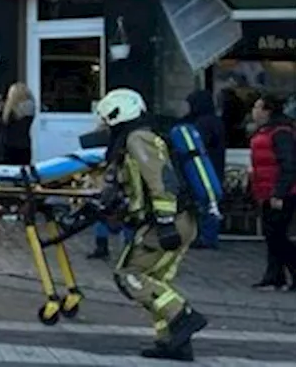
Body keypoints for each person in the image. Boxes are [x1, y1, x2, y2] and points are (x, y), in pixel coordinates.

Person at [94, 88, 207, 361]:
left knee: (129, 276)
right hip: (181, 219)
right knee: (155, 283)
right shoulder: (143, 136)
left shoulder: (137, 139)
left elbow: (160, 182)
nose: (102, 126)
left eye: (105, 119)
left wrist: (166, 222)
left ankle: (183, 316)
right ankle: (174, 343)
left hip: (168, 222)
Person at [248, 93, 297, 290]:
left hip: (282, 192)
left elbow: (289, 164)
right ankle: (274, 275)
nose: (254, 111)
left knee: (278, 236)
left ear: (267, 110)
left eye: (257, 107)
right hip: (265, 190)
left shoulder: (281, 132)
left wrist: (279, 193)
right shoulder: (267, 130)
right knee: (271, 235)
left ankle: (292, 270)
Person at [184, 89, 226, 250]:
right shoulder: (214, 120)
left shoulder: (204, 123)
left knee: (206, 202)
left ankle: (207, 237)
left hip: (204, 167)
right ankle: (206, 235)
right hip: (213, 166)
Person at [0, 82, 36, 166]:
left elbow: (3, 126)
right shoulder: (30, 107)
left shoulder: (12, 111)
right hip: (25, 144)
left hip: (11, 145)